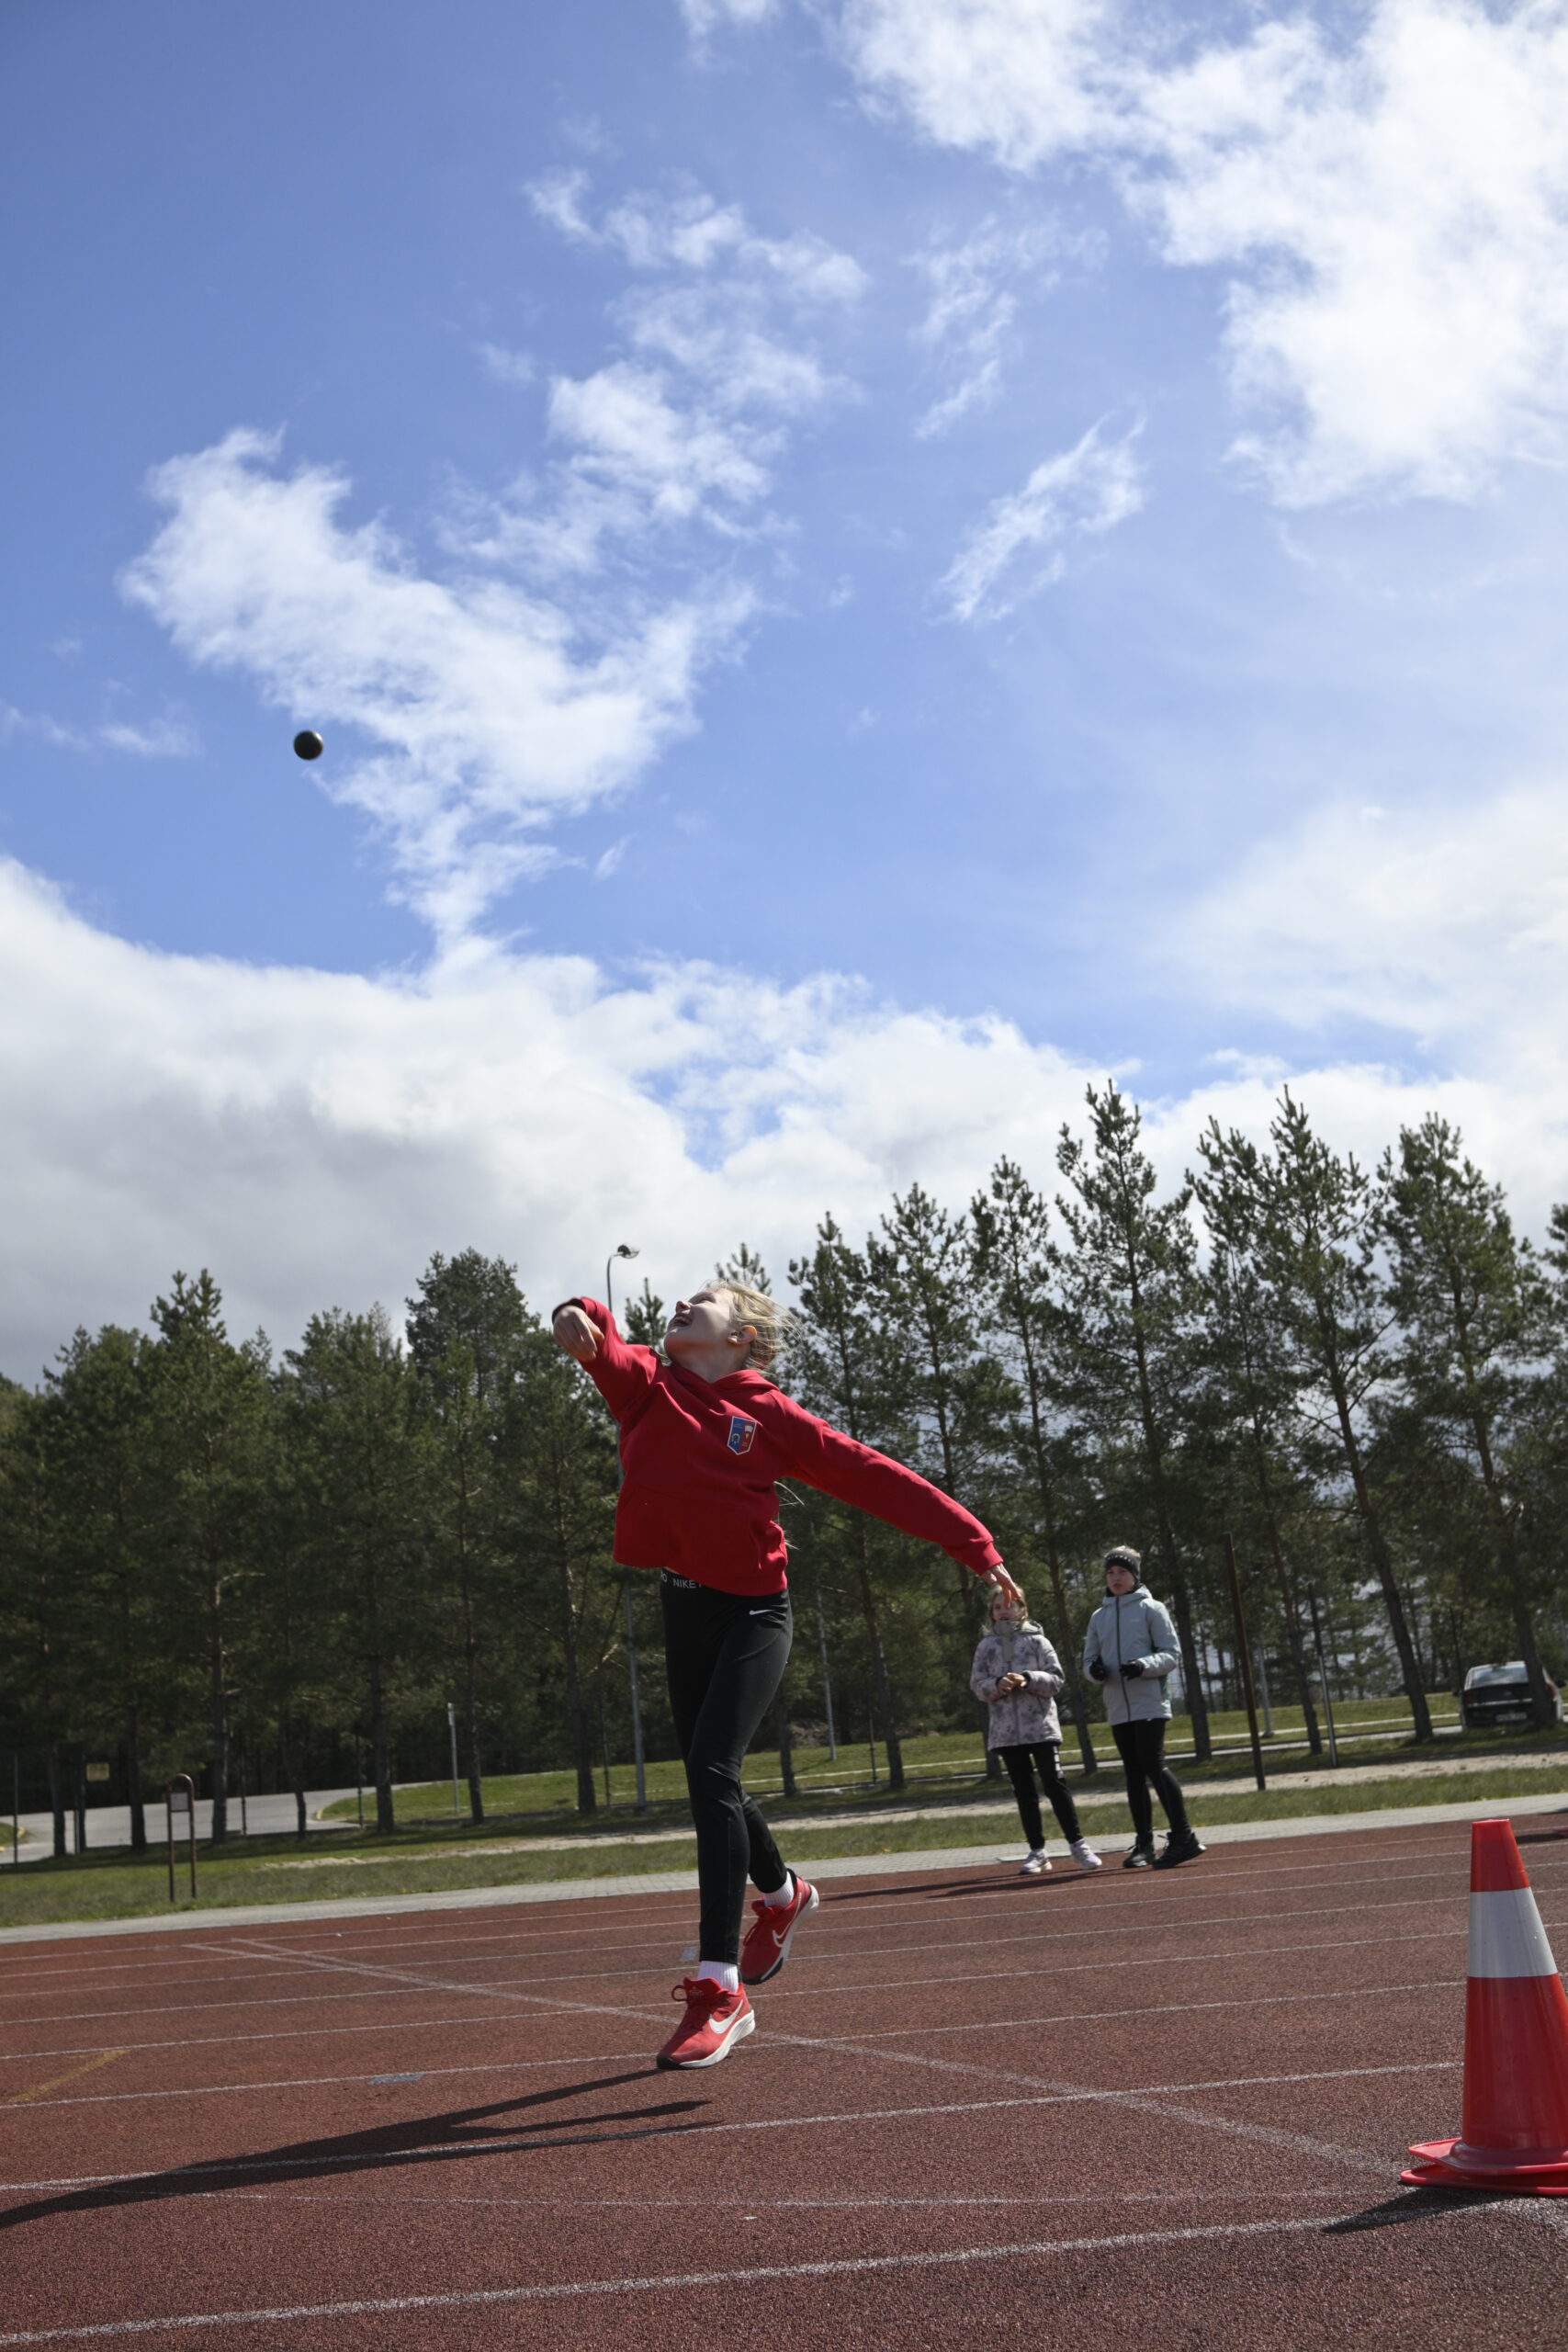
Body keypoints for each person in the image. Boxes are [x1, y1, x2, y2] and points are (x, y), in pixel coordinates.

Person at [551, 1278, 1021, 2069]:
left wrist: (977, 1547)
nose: (681, 1302)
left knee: (711, 1770)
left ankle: (719, 1989)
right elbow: (604, 1344)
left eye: (703, 1298)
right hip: (683, 1606)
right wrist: (579, 1317)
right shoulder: (647, 1387)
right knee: (711, 1776)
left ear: (743, 1337)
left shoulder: (770, 1415)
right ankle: (783, 1895)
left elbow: (875, 1476)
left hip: (753, 1612)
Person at [1083, 1544, 1204, 1871]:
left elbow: (1171, 1654)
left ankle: (1183, 1836)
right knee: (1133, 1773)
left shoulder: (1153, 1608)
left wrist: (1142, 1666)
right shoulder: (1098, 1617)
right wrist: (1094, 1670)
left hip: (1149, 1702)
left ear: (1135, 1575)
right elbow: (1089, 1659)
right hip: (1117, 1706)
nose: (1115, 1578)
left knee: (1153, 1764)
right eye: (1110, 1572)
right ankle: (1145, 1845)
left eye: (1122, 1572)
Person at [971, 1585, 1101, 1876]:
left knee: (1054, 1784)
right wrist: (997, 1685)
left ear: (1022, 1609)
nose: (1004, 1611)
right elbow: (977, 1686)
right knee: (1024, 1793)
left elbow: (1056, 1679)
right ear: (991, 1612)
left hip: (1040, 1729)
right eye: (997, 1607)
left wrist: (1028, 1679)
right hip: (1006, 1734)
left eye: (1009, 1605)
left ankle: (1078, 1845)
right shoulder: (985, 1646)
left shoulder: (1037, 1641)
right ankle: (1037, 1851)